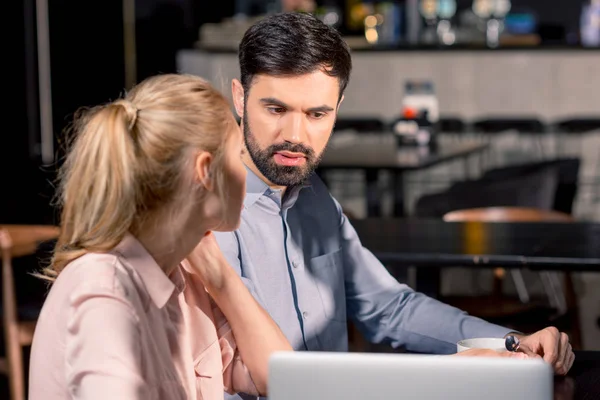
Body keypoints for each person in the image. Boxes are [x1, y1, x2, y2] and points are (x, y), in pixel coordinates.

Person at [209, 12, 575, 399]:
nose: (296, 136)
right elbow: (246, 376)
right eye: (276, 110)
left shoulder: (315, 198)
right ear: (240, 97)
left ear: (338, 107)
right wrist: (445, 375)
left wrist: (513, 343)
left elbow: (390, 308)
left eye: (317, 114)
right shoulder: (206, 215)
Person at [28, 74, 292, 400]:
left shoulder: (182, 281)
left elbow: (279, 378)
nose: (250, 171)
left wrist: (221, 277)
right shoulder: (104, 288)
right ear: (205, 172)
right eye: (239, 154)